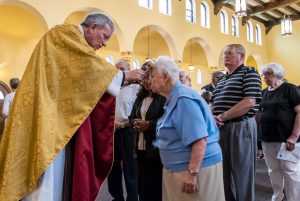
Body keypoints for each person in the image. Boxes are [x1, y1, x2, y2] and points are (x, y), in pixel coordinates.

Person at [0, 13, 145, 201]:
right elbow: (88, 66)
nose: (105, 44)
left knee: (55, 176)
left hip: (56, 116)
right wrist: (123, 76)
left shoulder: (73, 41)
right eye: (105, 36)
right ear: (93, 27)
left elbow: (81, 77)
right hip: (48, 118)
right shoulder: (63, 35)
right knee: (45, 174)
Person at [150, 56, 225, 201]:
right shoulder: (174, 97)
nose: (150, 81)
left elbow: (199, 139)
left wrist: (192, 173)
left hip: (194, 169)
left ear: (165, 76)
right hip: (179, 167)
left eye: (153, 77)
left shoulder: (183, 98)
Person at [211, 44, 262, 201]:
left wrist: (223, 116)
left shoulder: (250, 73)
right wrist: (211, 116)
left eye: (230, 53)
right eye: (224, 53)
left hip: (240, 126)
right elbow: (212, 102)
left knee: (242, 173)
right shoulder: (222, 79)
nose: (225, 56)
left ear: (241, 56)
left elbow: (249, 102)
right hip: (220, 127)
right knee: (223, 172)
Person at [259, 63, 300, 201]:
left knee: (290, 171)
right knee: (273, 171)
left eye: (268, 74)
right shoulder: (264, 92)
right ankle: (277, 197)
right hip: (268, 139)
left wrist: (294, 136)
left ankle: (293, 199)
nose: (265, 77)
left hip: (286, 139)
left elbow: (299, 112)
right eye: (264, 74)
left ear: (278, 74)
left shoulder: (289, 88)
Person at [128, 61, 166, 201]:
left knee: (155, 186)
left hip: (155, 149)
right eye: (143, 77)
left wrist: (149, 125)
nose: (146, 81)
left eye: (149, 77)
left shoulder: (163, 97)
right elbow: (131, 117)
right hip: (139, 148)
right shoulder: (140, 97)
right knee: (141, 185)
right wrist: (135, 123)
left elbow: (167, 120)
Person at [107, 59, 139, 201]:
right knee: (112, 167)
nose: (118, 72)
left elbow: (137, 114)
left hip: (128, 131)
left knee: (130, 167)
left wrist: (123, 125)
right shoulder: (112, 88)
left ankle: (132, 198)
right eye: (116, 69)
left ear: (129, 70)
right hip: (111, 132)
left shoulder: (136, 89)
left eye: (121, 69)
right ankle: (116, 197)